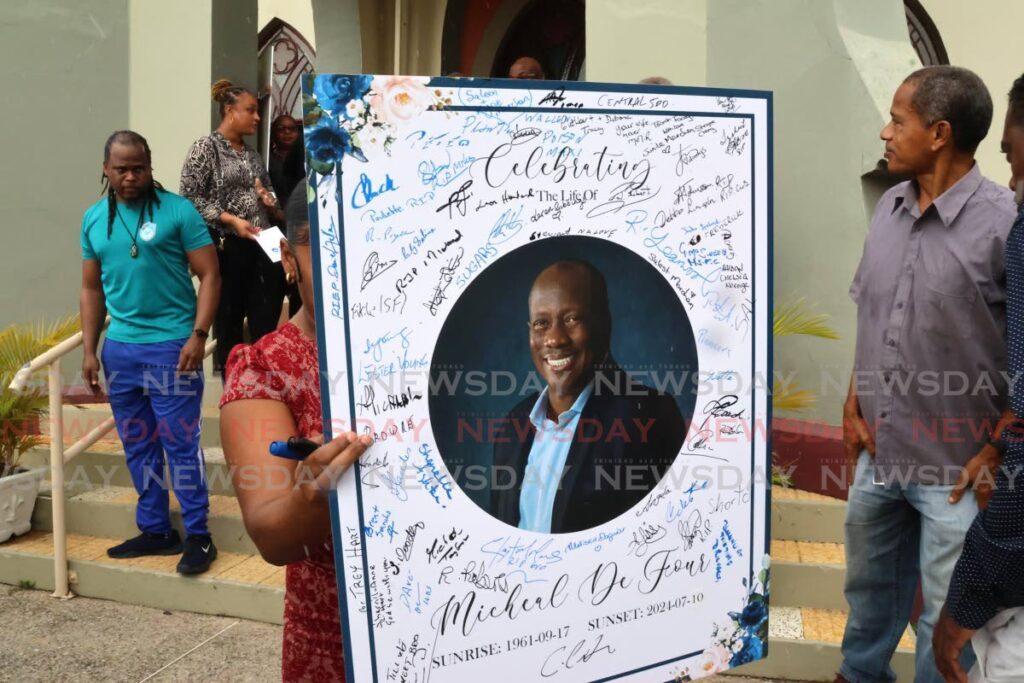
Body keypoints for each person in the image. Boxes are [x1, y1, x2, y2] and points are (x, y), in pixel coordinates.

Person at [837, 66, 1017, 683]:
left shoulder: (1005, 226)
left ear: (939, 133)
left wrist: (997, 448)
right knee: (866, 600)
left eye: (898, 120)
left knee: (945, 629)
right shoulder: (888, 206)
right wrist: (851, 401)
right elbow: (871, 310)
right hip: (879, 456)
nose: (885, 131)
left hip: (956, 474)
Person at [220, 185, 371, 680]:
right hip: (339, 638)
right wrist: (311, 493)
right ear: (288, 255)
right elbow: (272, 535)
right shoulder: (264, 369)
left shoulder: (440, 355)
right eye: (332, 251)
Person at [80, 130, 221, 574]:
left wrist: (198, 335)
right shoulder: (92, 220)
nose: (130, 176)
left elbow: (211, 274)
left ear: (149, 166)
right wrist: (89, 350)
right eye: (121, 168)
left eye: (138, 167)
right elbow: (90, 288)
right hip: (120, 349)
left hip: (171, 347)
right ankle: (157, 529)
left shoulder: (178, 211)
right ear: (106, 169)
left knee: (181, 445)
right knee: (138, 445)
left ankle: (199, 535)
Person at [933, 74, 1024, 683]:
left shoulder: (1012, 227)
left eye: (1017, 159)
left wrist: (965, 603)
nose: (1015, 182)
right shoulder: (888, 210)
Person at [490, 260, 686, 533]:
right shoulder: (513, 425)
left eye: (572, 319)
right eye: (541, 323)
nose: (555, 339)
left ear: (603, 324)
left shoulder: (649, 416)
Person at [180, 79, 285, 377]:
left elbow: (269, 190)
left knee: (266, 321)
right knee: (230, 320)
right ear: (229, 111)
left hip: (266, 242)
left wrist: (269, 199)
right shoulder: (205, 148)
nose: (257, 118)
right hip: (230, 245)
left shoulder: (251, 154)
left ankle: (263, 385)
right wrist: (229, 219)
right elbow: (190, 199)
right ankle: (234, 386)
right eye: (250, 110)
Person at [267, 114, 301, 203]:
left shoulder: (306, 159)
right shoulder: (266, 160)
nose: (287, 132)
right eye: (281, 129)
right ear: (273, 134)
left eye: (292, 129)